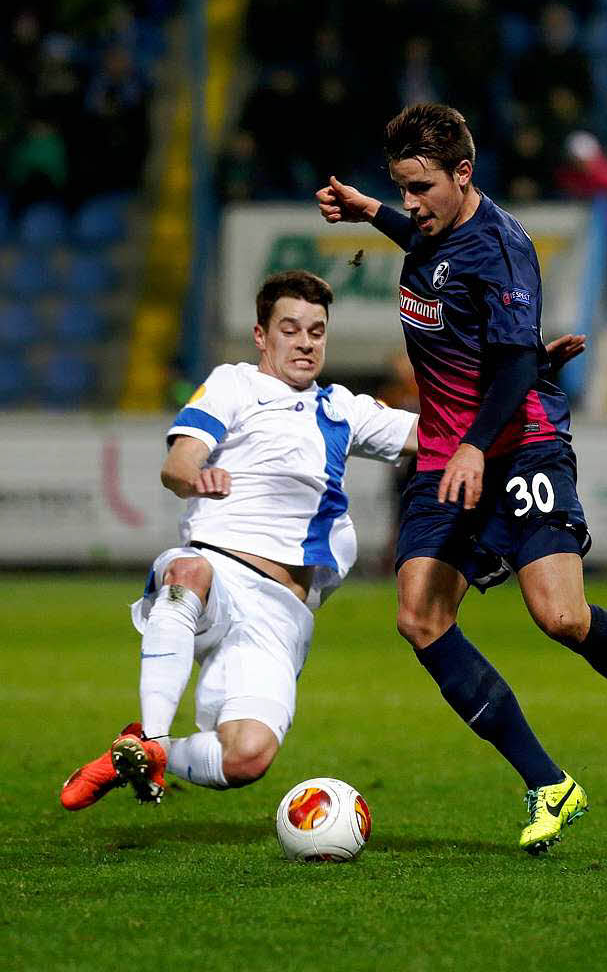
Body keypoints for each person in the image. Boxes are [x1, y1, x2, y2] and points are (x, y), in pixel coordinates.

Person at [315, 103, 607, 854]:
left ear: (462, 175)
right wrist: (370, 210)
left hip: (519, 445)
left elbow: (508, 372)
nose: (411, 203)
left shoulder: (502, 249)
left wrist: (475, 444)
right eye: (399, 186)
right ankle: (548, 783)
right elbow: (425, 247)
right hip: (447, 454)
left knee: (562, 618)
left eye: (420, 187)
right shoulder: (434, 231)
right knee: (420, 618)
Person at [60, 269, 419, 810]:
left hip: (279, 615)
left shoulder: (344, 407)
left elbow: (435, 434)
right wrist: (194, 476)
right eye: (290, 328)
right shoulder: (234, 383)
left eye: (316, 332)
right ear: (261, 336)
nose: (304, 342)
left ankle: (135, 754)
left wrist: (520, 388)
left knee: (248, 757)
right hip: (216, 575)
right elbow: (178, 463)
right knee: (188, 573)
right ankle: (154, 734)